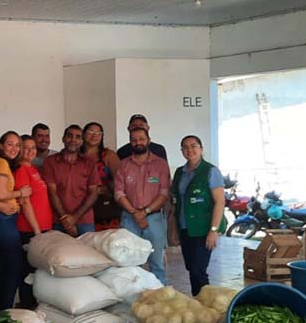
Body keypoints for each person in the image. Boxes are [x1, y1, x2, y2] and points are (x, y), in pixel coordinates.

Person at [114, 127, 171, 284]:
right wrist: (135, 213)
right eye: (134, 140)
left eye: (141, 139)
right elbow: (119, 193)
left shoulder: (161, 165)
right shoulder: (123, 165)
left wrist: (144, 212)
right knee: (130, 264)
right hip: (129, 219)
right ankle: (135, 299)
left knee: (157, 263)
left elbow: (164, 194)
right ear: (130, 142)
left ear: (148, 140)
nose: (138, 142)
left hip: (154, 220)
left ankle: (161, 297)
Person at [172, 135, 227, 296]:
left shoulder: (211, 171)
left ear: (201, 149)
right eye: (185, 147)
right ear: (182, 151)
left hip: (203, 228)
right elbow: (176, 200)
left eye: (193, 146)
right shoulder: (179, 172)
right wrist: (174, 229)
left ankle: (205, 305)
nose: (190, 150)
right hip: (185, 227)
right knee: (191, 268)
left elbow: (220, 202)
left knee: (198, 269)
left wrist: (213, 230)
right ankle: (199, 301)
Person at [0, 132, 27, 309]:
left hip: (0, 219)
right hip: (1, 220)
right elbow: (1, 194)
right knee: (12, 267)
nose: (14, 148)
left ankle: (1, 308)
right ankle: (6, 309)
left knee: (2, 266)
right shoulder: (1, 163)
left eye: (17, 145)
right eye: (10, 144)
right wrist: (21, 193)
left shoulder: (1, 163)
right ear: (1, 145)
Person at [15, 135, 53, 309]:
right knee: (27, 270)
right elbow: (25, 202)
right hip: (29, 229)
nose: (30, 151)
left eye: (33, 148)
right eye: (25, 147)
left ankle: (34, 303)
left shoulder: (33, 169)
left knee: (37, 270)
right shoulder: (21, 170)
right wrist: (37, 230)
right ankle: (27, 304)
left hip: (43, 227)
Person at [42, 125, 100, 236]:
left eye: (78, 137)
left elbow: (93, 193)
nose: (73, 140)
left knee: (87, 253)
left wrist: (74, 218)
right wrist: (67, 220)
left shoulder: (89, 163)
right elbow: (52, 192)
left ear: (82, 141)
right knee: (58, 253)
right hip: (58, 220)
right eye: (70, 136)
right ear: (63, 139)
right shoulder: (50, 162)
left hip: (84, 221)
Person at [82, 122, 122, 231]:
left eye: (98, 133)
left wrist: (107, 188)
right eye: (91, 132)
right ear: (83, 134)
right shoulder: (76, 154)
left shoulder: (108, 155)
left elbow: (120, 182)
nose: (94, 135)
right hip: (80, 205)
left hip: (104, 207)